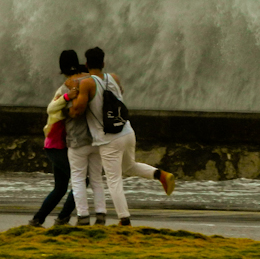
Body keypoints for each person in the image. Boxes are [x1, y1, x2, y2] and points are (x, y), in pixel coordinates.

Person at [69, 46, 175, 226]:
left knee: (113, 180)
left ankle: (124, 219)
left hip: (109, 138)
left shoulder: (87, 83)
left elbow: (78, 110)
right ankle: (160, 175)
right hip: (126, 131)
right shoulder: (114, 78)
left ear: (86, 64)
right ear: (103, 63)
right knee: (128, 166)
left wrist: (70, 103)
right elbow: (120, 94)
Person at [28, 50, 81, 227]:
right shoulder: (65, 89)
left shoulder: (72, 83)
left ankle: (37, 220)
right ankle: (63, 218)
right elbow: (51, 109)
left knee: (60, 188)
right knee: (83, 179)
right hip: (55, 144)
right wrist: (67, 97)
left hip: (59, 144)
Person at [62, 64, 107, 226]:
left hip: (77, 140)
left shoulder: (69, 86)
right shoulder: (98, 84)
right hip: (97, 139)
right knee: (96, 178)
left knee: (78, 179)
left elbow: (71, 111)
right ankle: (101, 214)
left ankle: (83, 216)